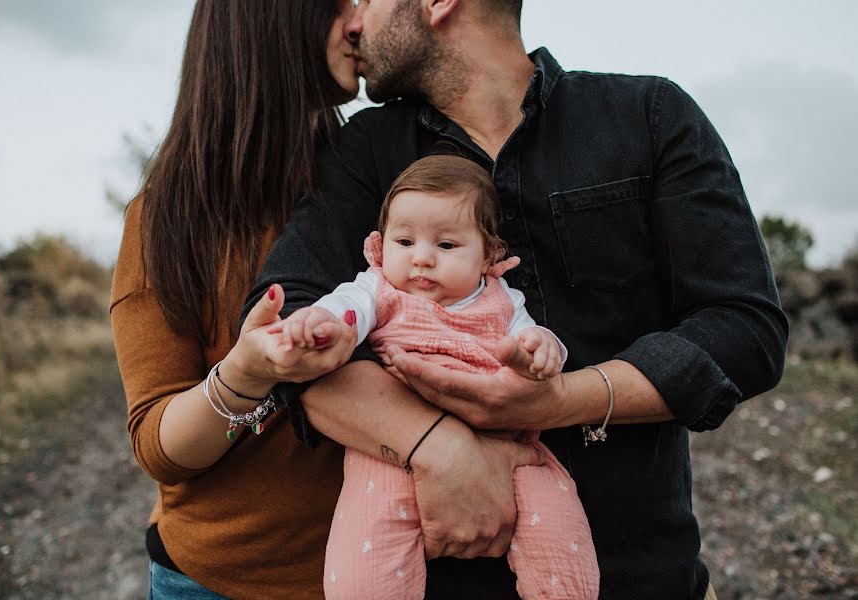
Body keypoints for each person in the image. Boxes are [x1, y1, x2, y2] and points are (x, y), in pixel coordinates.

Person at [244, 0, 788, 598]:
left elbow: (744, 327)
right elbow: (287, 317)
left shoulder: (650, 115)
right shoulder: (364, 149)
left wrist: (555, 402)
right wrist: (439, 448)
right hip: (428, 576)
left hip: (640, 574)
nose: (352, 22)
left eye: (369, 0)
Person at [109, 1, 372, 597]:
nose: (359, 21)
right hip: (220, 579)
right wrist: (245, 376)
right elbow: (158, 445)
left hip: (390, 567)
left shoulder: (380, 180)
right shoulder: (166, 221)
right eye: (338, 5)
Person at [276, 155, 599, 600]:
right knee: (364, 570)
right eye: (404, 241)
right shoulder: (379, 288)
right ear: (380, 242)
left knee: (559, 528)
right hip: (390, 447)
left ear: (489, 254)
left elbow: (533, 343)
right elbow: (347, 308)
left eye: (446, 246)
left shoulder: (503, 301)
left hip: (508, 446)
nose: (422, 259)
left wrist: (542, 351)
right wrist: (322, 324)